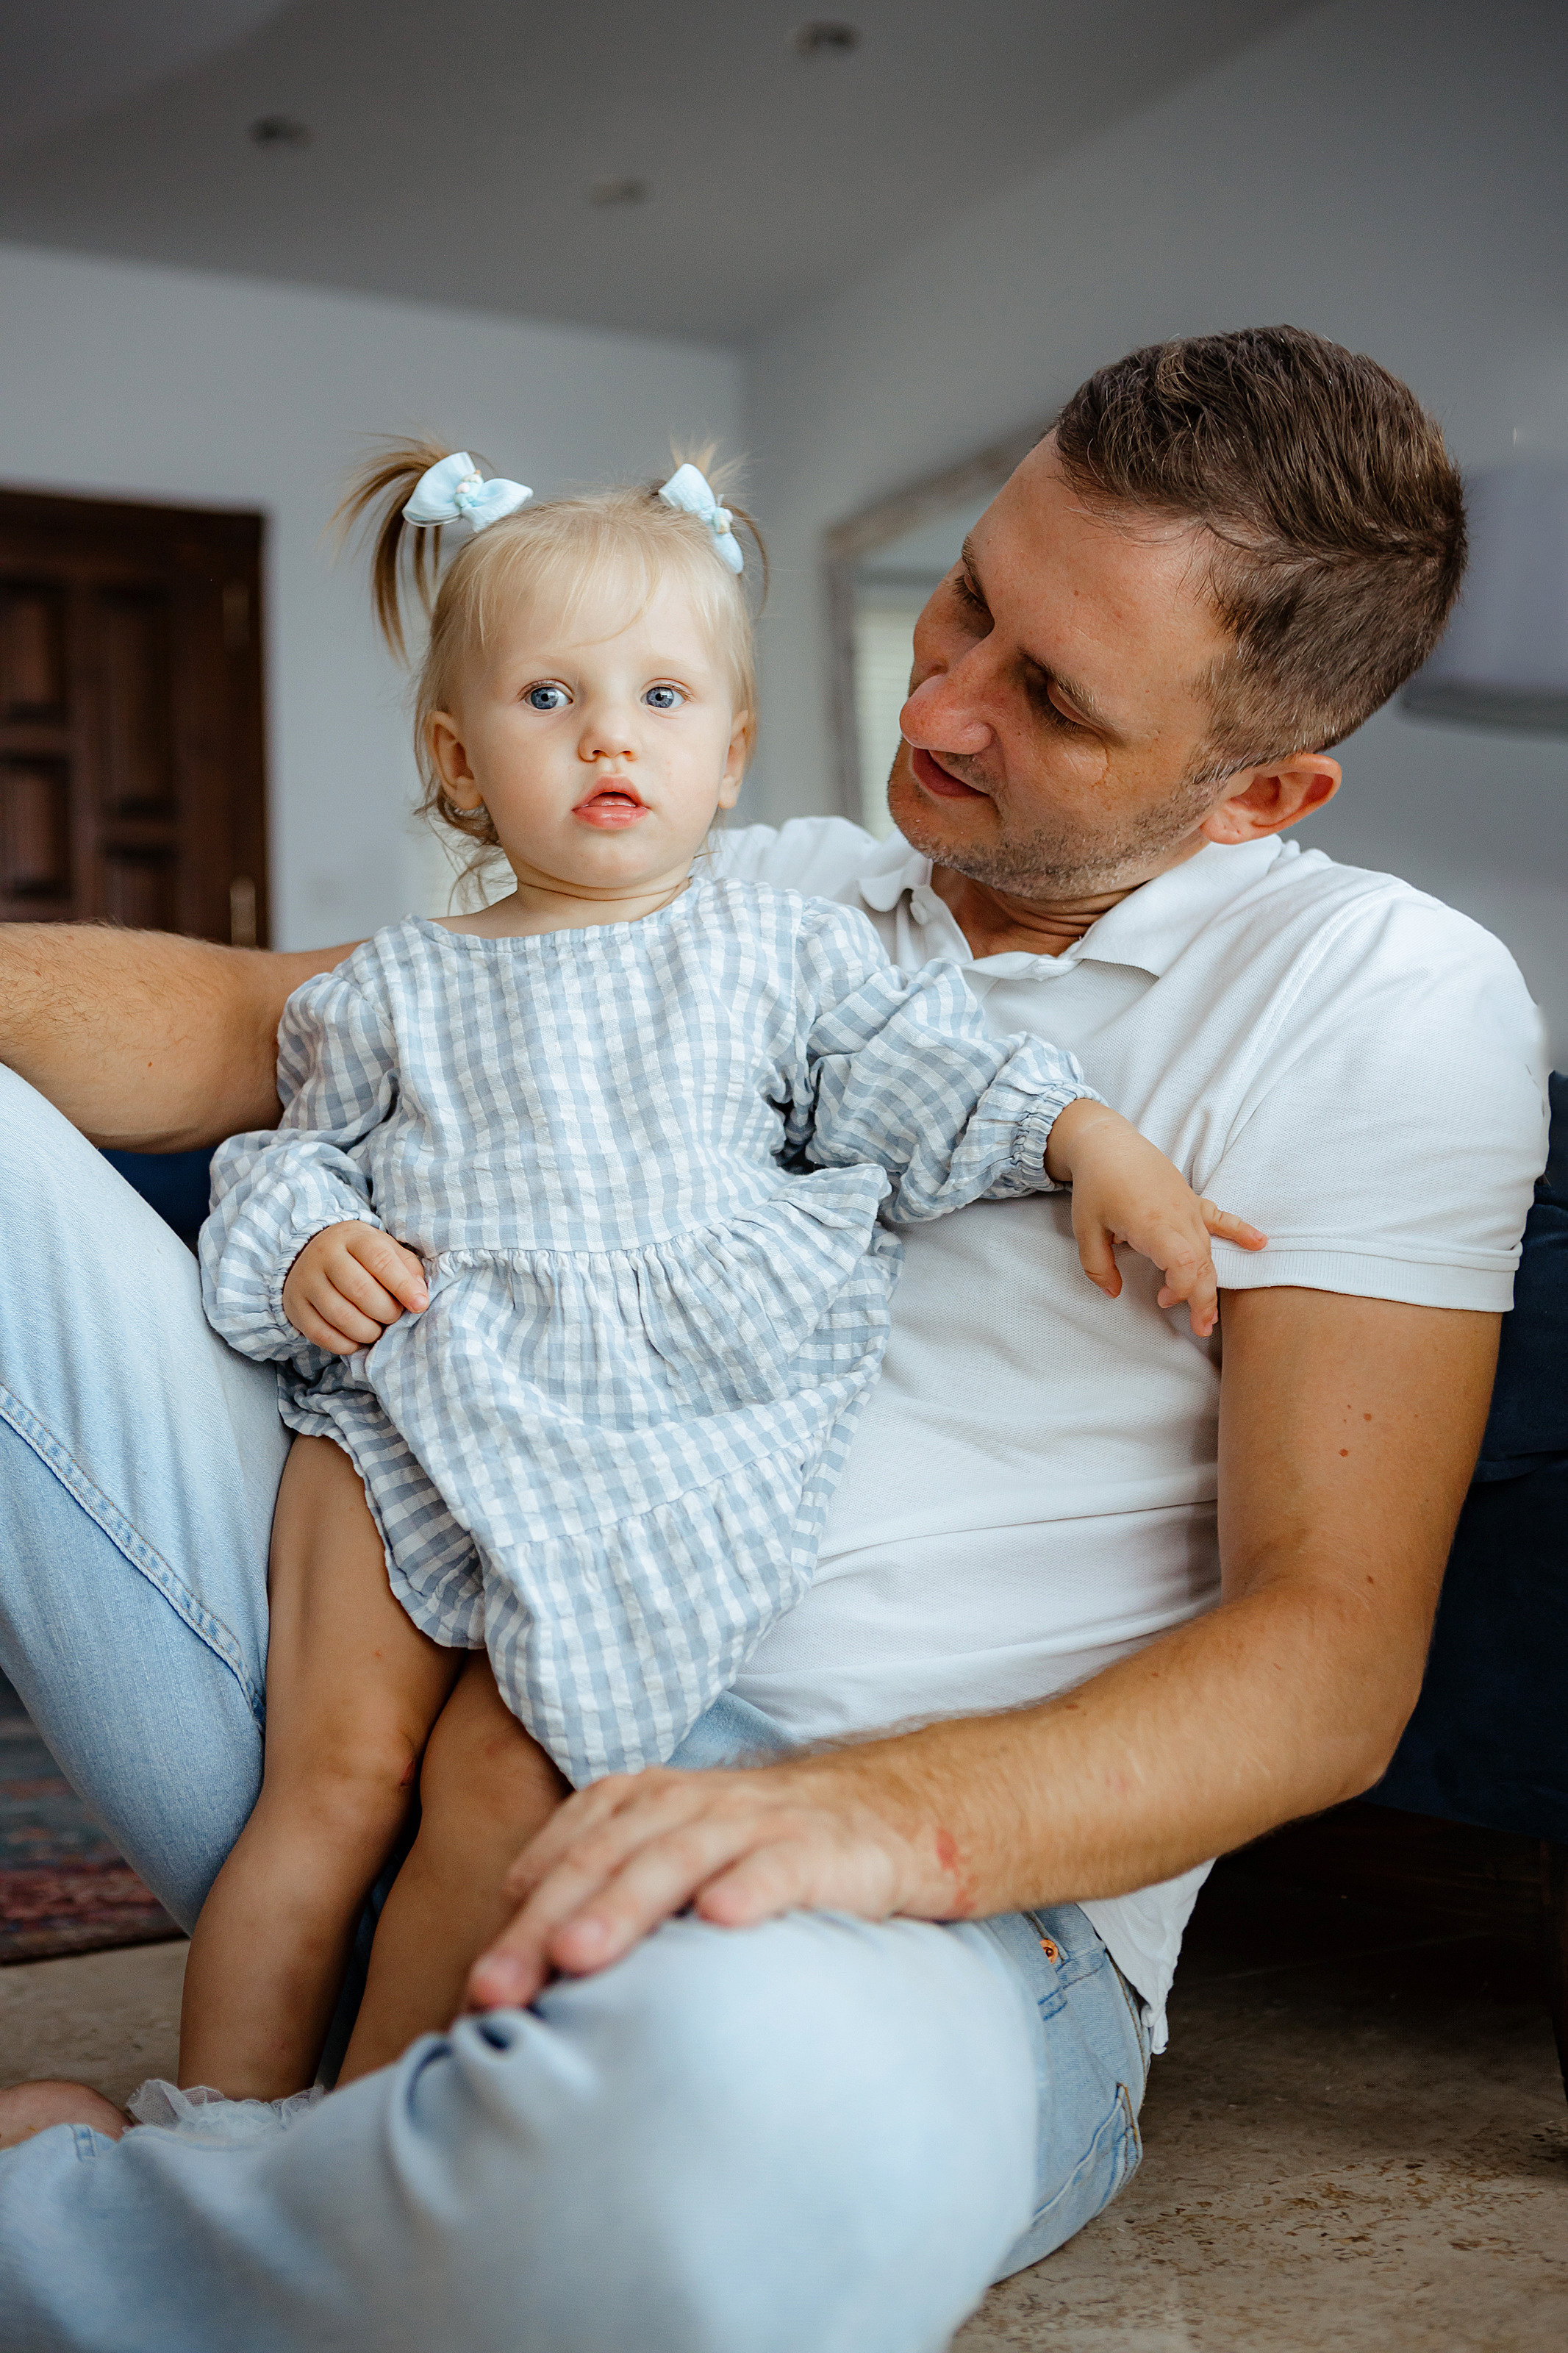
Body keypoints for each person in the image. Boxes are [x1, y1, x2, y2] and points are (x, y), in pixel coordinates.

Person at [0, 326, 1547, 2353]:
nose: (945, 704)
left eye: (1052, 699)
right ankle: (361, 2182)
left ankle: (117, 2206)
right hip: (402, 1696)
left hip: (908, 1912)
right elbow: (264, 1024)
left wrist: (847, 1818)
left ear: (1255, 791)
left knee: (753, 2122)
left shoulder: (1385, 999)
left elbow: (1328, 1661)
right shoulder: (770, 894)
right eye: (967, 601)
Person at [172, 441, 1245, 2107]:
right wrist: (313, 1239)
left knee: (503, 1787)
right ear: (459, 762)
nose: (610, 734)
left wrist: (1086, 1140)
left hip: (649, 1439)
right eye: (549, 695)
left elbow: (927, 1071)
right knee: (321, 1787)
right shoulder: (385, 987)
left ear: (729, 751)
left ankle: (351, 2133)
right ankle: (219, 2126)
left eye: (663, 695)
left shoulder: (781, 948)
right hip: (406, 1414)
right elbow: (291, 1153)